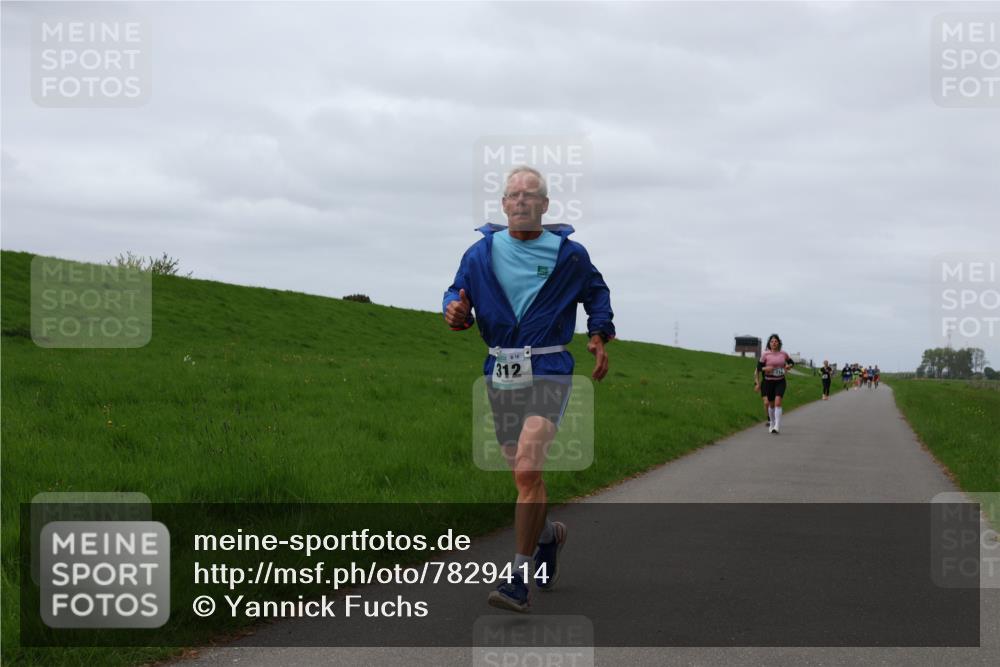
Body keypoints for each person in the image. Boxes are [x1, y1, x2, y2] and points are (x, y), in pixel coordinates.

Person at [443, 166, 615, 613]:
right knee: (517, 466)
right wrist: (455, 312)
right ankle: (548, 537)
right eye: (513, 194)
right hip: (501, 369)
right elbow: (455, 294)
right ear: (503, 205)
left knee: (526, 469)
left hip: (551, 366)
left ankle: (518, 578)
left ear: (544, 205)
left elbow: (596, 293)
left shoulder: (569, 255)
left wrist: (599, 333)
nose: (521, 201)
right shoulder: (480, 254)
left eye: (530, 194)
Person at [758, 334, 794, 434]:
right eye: (772, 341)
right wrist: (766, 368)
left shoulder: (783, 354)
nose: (774, 343)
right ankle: (772, 423)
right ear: (769, 343)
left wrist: (789, 366)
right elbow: (759, 368)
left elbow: (791, 362)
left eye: (776, 341)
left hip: (780, 381)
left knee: (778, 402)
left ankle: (777, 426)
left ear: (778, 343)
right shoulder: (765, 354)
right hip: (768, 382)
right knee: (771, 404)